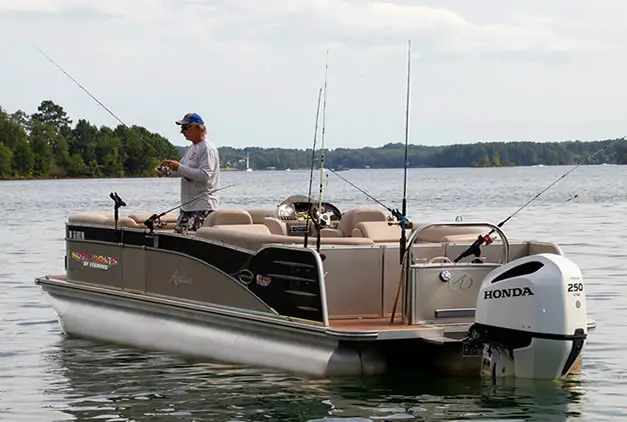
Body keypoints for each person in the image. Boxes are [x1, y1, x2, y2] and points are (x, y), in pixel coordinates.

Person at [156, 112, 221, 234]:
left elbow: (205, 176)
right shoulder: (191, 149)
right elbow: (181, 171)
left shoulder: (208, 149)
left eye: (185, 127)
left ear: (197, 127)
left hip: (203, 208)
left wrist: (178, 167)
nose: (182, 131)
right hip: (187, 208)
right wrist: (165, 172)